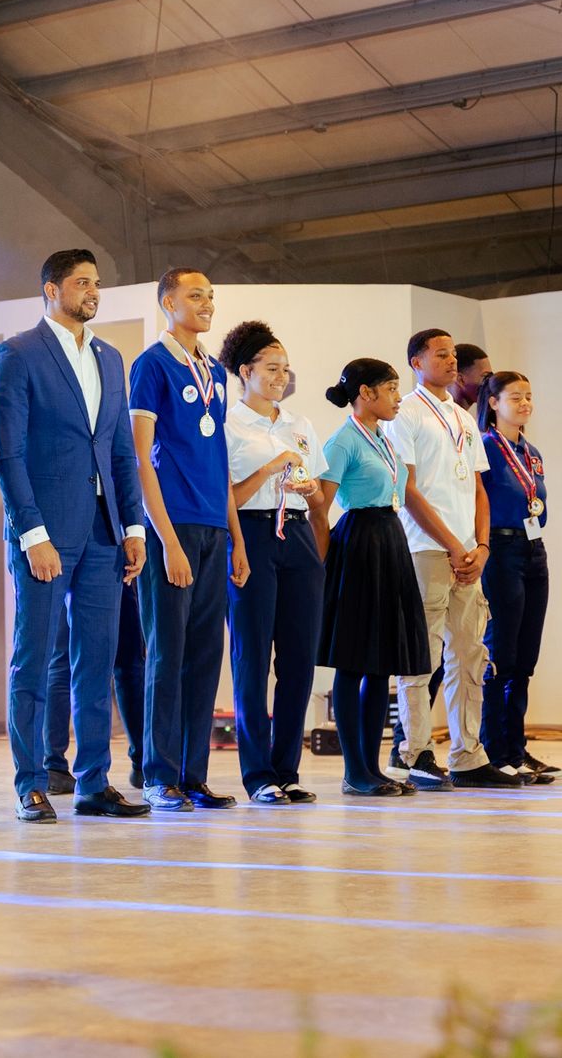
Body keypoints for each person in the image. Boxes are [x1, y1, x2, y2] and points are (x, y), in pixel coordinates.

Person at [0, 248, 150, 823]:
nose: (93, 292)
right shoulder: (19, 353)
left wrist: (134, 526)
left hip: (106, 533)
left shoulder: (110, 357)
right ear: (51, 290)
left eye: (97, 283)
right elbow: (6, 454)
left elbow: (122, 451)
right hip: (45, 535)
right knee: (33, 660)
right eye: (82, 282)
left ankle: (94, 784)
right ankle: (30, 782)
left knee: (97, 660)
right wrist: (31, 532)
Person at [130, 267, 251, 812]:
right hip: (171, 528)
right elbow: (139, 460)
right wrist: (168, 541)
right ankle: (158, 776)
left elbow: (220, 460)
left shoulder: (217, 373)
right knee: (166, 655)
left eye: (211, 295)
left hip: (213, 528)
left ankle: (193, 774)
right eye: (195, 295)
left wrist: (238, 540)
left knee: (205, 656)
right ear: (167, 302)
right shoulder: (151, 365)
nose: (207, 303)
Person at [387, 328, 518, 789]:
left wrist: (481, 546)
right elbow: (407, 489)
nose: (450, 360)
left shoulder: (463, 418)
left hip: (468, 555)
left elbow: (480, 488)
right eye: (439, 354)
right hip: (427, 549)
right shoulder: (404, 414)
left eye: (453, 354)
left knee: (469, 656)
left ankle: (467, 754)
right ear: (416, 363)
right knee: (421, 657)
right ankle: (415, 751)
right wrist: (453, 543)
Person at [220, 320, 327, 805]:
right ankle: (257, 774)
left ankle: (287, 769)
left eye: (286, 368)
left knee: (300, 659)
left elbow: (318, 490)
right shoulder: (228, 425)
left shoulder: (299, 424)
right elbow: (227, 498)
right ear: (246, 371)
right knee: (252, 659)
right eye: (271, 367)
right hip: (252, 537)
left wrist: (308, 490)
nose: (282, 376)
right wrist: (267, 468)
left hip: (298, 536)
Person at [316, 358, 431, 795]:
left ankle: (371, 768)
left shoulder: (383, 436)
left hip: (390, 540)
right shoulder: (342, 441)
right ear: (365, 393)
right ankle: (354, 770)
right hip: (360, 543)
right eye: (391, 389)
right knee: (353, 663)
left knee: (380, 663)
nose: (398, 397)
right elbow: (319, 509)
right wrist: (324, 566)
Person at [475, 371, 556, 783]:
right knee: (501, 655)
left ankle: (517, 747)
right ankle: (494, 749)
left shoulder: (531, 451)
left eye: (529, 396)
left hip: (533, 549)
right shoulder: (484, 448)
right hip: (501, 550)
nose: (525, 404)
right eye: (515, 397)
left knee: (526, 658)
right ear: (492, 402)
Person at [44, 579, 146, 792]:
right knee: (128, 661)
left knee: (61, 661)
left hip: (64, 557)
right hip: (106, 556)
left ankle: (54, 767)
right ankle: (141, 761)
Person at [451, 344, 491, 412]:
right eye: (485, 376)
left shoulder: (467, 419)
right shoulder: (438, 418)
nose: (490, 383)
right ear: (460, 380)